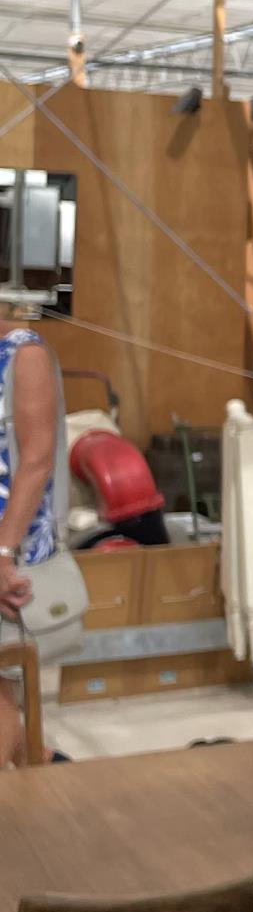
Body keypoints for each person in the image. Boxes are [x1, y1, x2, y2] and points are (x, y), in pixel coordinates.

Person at [0, 319, 59, 767]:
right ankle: (42, 763)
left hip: (8, 549)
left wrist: (4, 553)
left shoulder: (24, 355)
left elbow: (37, 459)